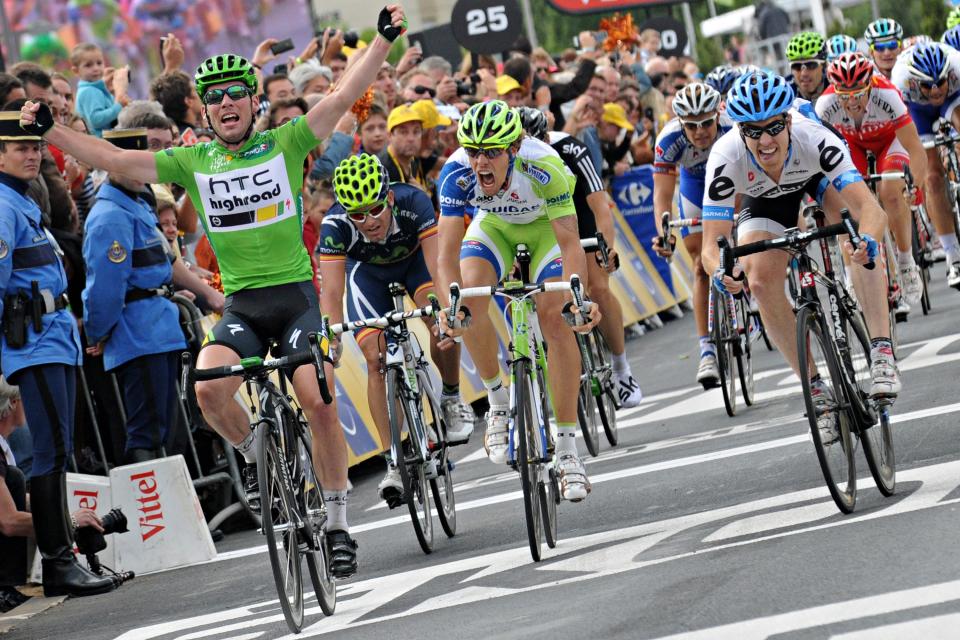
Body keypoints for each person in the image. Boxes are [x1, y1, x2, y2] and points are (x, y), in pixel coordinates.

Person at [21, 4, 412, 579]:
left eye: (237, 94)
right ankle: (257, 451)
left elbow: (340, 94)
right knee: (207, 389)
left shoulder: (287, 142)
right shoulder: (191, 160)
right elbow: (110, 156)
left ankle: (335, 523)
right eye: (216, 97)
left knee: (317, 394)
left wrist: (381, 42)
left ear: (254, 101)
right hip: (244, 305)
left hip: (295, 296)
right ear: (205, 110)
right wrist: (48, 130)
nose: (227, 104)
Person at [700, 73, 901, 438]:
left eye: (774, 126)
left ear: (789, 120)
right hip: (765, 198)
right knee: (759, 281)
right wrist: (721, 272)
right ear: (739, 130)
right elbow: (711, 245)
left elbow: (871, 211)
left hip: (816, 176)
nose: (765, 140)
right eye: (753, 130)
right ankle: (816, 389)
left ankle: (881, 348)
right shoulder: (726, 156)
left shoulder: (814, 137)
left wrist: (868, 240)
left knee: (854, 238)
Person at [435, 101, 600, 502]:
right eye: (474, 151)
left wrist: (576, 297)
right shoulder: (456, 173)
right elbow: (445, 256)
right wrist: (450, 308)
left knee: (556, 319)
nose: (481, 162)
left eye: (491, 152)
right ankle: (496, 400)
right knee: (470, 300)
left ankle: (566, 448)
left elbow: (568, 241)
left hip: (545, 232)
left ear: (514, 148)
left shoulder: (545, 164)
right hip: (494, 229)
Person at [0, 108, 117, 597]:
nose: (31, 154)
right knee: (48, 455)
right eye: (19, 147)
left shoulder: (21, 200)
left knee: (57, 451)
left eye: (34, 146)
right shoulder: (4, 206)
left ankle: (63, 556)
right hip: (33, 345)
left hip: (52, 337)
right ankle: (56, 561)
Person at [319, 154, 474, 505]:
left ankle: (450, 396)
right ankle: (393, 459)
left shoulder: (412, 200)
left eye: (375, 209)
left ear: (388, 197)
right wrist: (331, 336)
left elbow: (439, 265)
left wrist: (446, 313)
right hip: (369, 278)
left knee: (441, 328)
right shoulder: (334, 225)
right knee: (375, 360)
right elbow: (330, 292)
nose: (368, 221)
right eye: (357, 214)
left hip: (417, 265)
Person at [81, 127, 224, 464]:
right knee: (148, 432)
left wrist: (208, 295)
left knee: (168, 431)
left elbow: (167, 259)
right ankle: (153, 512)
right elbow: (104, 289)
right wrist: (97, 331)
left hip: (159, 329)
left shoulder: (137, 203)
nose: (135, 170)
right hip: (138, 334)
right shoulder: (110, 217)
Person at [518, 107, 643, 407]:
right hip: (537, 223)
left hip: (577, 213)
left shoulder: (571, 149)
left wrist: (606, 249)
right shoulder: (509, 161)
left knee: (598, 287)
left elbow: (600, 207)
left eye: (540, 141)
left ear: (547, 136)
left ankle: (621, 368)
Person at [816, 52, 927, 315]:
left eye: (858, 92)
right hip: (852, 144)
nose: (851, 101)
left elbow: (915, 148)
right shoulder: (825, 105)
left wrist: (916, 186)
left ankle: (905, 260)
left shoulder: (887, 94)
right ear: (835, 90)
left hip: (890, 141)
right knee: (846, 205)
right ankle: (851, 272)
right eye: (844, 94)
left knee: (890, 192)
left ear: (870, 85)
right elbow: (818, 157)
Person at [650, 83, 734, 389]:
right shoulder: (668, 139)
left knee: (744, 239)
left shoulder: (732, 125)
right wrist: (664, 232)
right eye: (691, 126)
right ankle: (707, 350)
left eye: (706, 123)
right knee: (700, 263)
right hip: (695, 185)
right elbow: (661, 195)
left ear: (717, 115)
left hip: (732, 179)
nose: (700, 132)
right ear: (680, 124)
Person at [891, 42, 960, 287]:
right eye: (927, 85)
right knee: (931, 177)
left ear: (947, 75)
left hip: (955, 99)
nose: (934, 90)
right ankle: (953, 258)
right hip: (918, 111)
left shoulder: (956, 63)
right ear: (914, 81)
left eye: (940, 82)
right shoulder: (899, 79)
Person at [71, 43, 130, 137]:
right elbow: (96, 120)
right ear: (76, 71)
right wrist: (119, 106)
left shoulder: (97, 89)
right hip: (98, 143)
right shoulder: (89, 91)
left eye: (99, 63)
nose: (96, 68)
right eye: (88, 65)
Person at [786, 32, 830, 102]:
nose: (804, 73)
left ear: (823, 65)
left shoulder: (835, 84)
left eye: (811, 65)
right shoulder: (785, 92)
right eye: (796, 66)